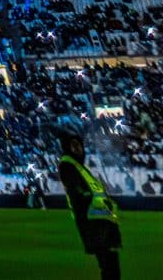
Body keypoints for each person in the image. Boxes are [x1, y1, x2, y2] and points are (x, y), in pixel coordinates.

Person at [53, 119, 123, 280]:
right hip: (92, 218)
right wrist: (86, 199)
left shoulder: (77, 165)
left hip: (99, 217)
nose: (78, 148)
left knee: (110, 259)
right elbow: (75, 189)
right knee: (108, 262)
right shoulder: (68, 164)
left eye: (79, 144)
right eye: (74, 145)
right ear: (67, 148)